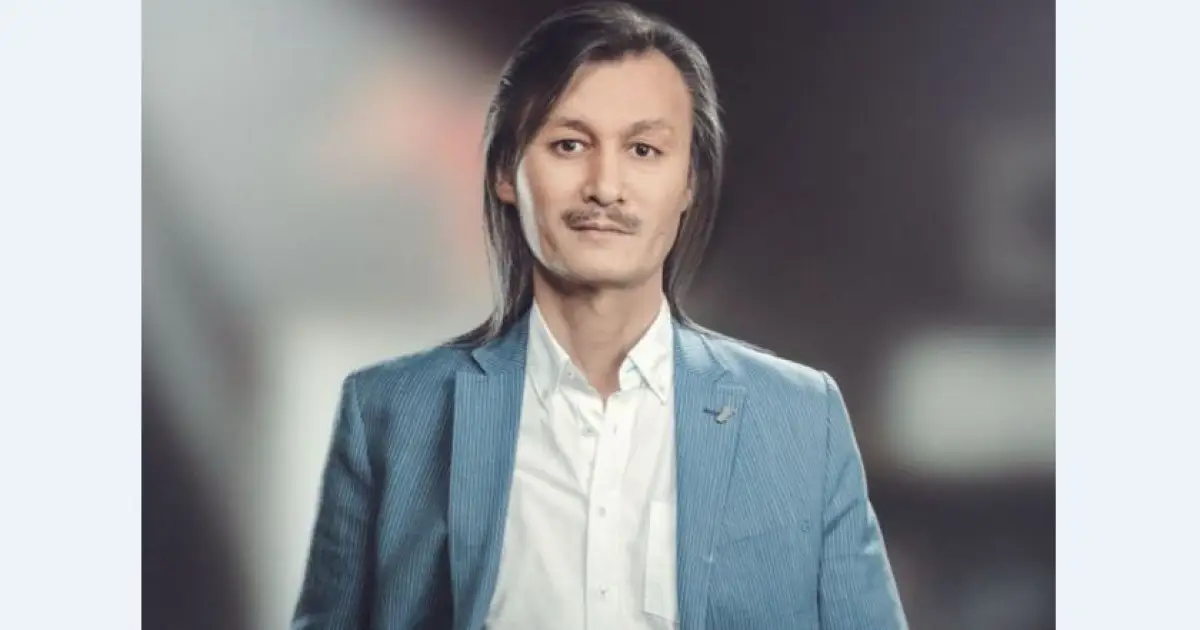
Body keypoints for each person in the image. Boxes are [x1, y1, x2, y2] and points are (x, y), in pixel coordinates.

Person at [292, 2, 907, 629]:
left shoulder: (799, 417)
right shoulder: (391, 414)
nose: (605, 186)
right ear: (505, 171)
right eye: (569, 144)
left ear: (689, 183)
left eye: (644, 149)